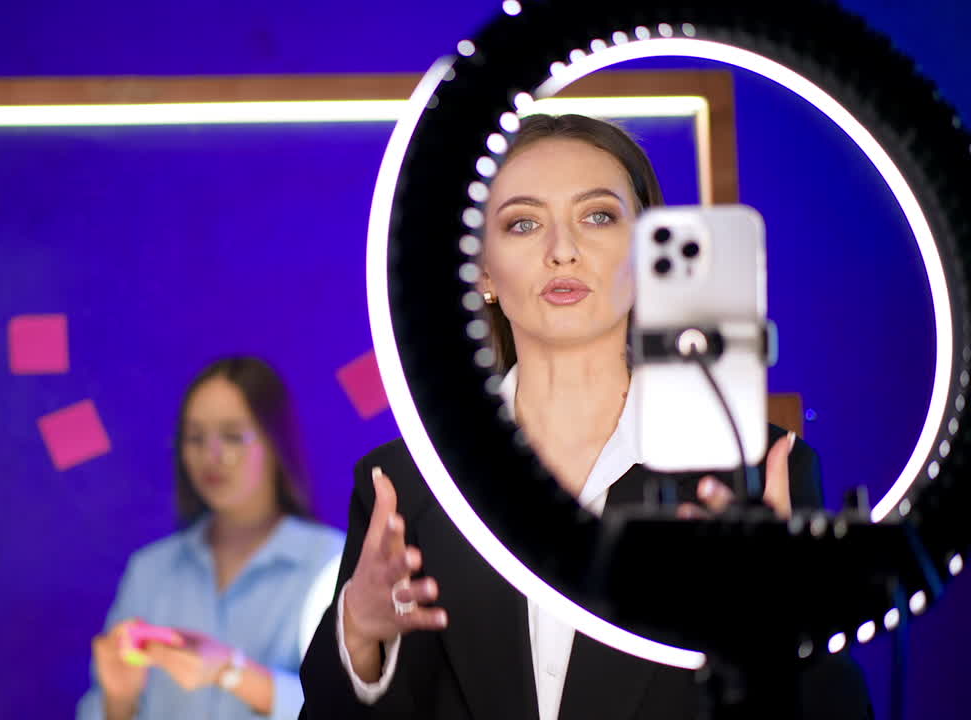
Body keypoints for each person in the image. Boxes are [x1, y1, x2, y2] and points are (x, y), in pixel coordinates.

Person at [297, 114, 873, 719]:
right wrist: (358, 635)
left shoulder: (753, 473)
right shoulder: (410, 484)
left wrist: (787, 627)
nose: (562, 251)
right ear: (482, 268)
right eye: (523, 223)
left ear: (650, 251)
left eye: (597, 216)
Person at [78, 356, 345, 720]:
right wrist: (119, 699)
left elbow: (347, 708)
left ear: (275, 443)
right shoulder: (150, 570)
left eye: (232, 437)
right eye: (195, 438)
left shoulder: (330, 562)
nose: (211, 455)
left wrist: (231, 671)